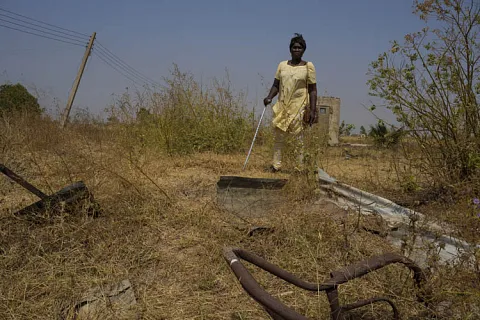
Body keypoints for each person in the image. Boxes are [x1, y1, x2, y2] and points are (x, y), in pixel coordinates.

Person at [263, 33, 318, 173]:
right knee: (279, 137)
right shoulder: (282, 65)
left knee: (298, 139)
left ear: (303, 50)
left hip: (299, 106)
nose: (297, 50)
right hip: (283, 106)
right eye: (294, 47)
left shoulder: (308, 67)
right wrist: (269, 97)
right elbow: (276, 84)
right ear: (290, 49)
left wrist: (312, 109)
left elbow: (312, 90)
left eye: (299, 47)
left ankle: (298, 168)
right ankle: (276, 165)